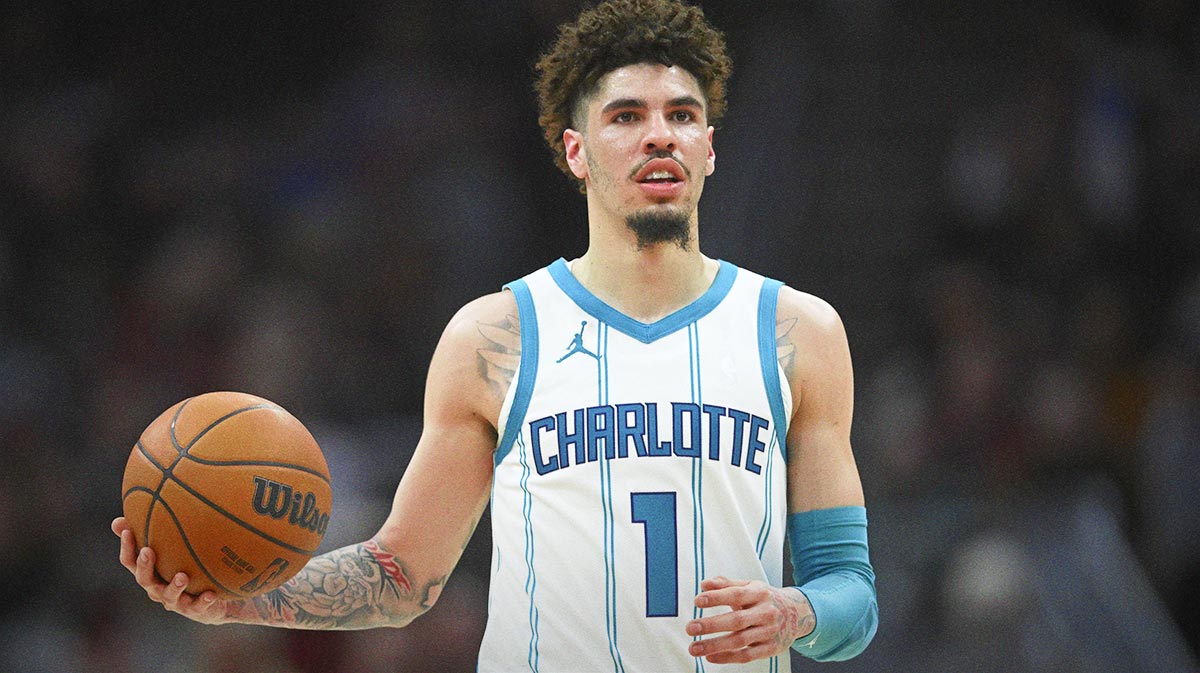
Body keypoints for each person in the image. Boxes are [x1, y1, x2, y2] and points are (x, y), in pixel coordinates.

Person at [112, 0, 878, 669]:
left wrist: (794, 614)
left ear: (710, 148)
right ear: (575, 152)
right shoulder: (494, 336)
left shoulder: (797, 332)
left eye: (682, 114)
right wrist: (239, 601)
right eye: (626, 116)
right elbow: (401, 576)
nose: (660, 136)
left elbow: (851, 592)